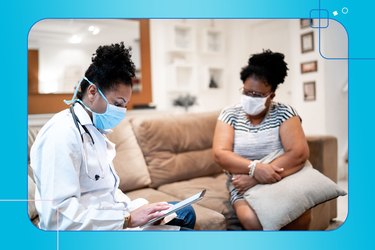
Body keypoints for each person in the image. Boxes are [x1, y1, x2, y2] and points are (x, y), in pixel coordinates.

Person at [30, 42, 196, 230]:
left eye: (125, 105)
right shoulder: (60, 134)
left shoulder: (94, 129)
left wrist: (139, 210)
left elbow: (106, 191)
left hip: (113, 217)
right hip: (91, 230)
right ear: (92, 92)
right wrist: (128, 220)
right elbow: (57, 218)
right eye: (118, 103)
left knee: (184, 211)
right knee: (183, 229)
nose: (121, 111)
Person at [212, 50, 309, 230]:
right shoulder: (229, 114)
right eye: (246, 92)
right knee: (252, 221)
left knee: (299, 217)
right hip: (241, 183)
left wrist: (257, 178)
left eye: (257, 95)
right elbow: (220, 154)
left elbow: (298, 154)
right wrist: (255, 168)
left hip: (282, 178)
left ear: (271, 95)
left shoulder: (285, 113)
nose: (250, 98)